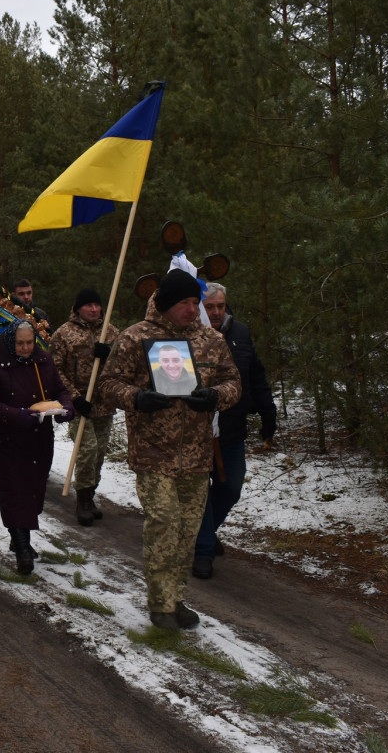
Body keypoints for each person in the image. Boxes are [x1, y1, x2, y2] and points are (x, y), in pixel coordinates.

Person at [98, 269, 241, 630]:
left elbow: (232, 382)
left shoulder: (211, 340)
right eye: (185, 303)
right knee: (164, 522)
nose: (193, 310)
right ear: (165, 303)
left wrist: (216, 396)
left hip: (196, 455)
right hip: (153, 452)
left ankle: (175, 598)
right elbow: (108, 384)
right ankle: (160, 603)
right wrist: (137, 397)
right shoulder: (135, 337)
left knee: (187, 530)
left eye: (196, 303)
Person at [192, 282, 278, 579]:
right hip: (196, 430)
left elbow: (256, 375)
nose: (216, 312)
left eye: (220, 306)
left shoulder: (239, 333)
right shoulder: (189, 336)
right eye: (209, 306)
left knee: (231, 486)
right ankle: (202, 550)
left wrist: (268, 412)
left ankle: (199, 532)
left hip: (232, 426)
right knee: (200, 490)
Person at [0, 319, 74, 574]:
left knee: (33, 492)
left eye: (30, 342)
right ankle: (22, 549)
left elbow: (60, 391)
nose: (25, 348)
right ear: (11, 341)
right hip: (7, 440)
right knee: (14, 493)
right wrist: (14, 414)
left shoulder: (44, 361)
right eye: (20, 343)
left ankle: (18, 536)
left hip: (39, 440)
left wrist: (66, 409)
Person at [50, 288, 120, 526]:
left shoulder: (111, 332)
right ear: (78, 308)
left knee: (99, 453)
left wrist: (109, 354)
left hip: (104, 404)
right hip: (79, 404)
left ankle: (90, 496)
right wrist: (75, 397)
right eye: (88, 305)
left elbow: (125, 364)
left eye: (96, 305)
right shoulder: (64, 334)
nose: (93, 309)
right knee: (87, 449)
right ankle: (82, 500)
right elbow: (55, 370)